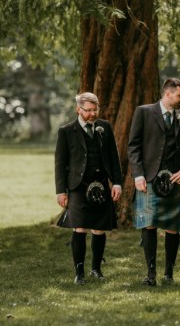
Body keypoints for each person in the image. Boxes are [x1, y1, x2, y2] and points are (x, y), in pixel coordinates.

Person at [128, 77, 180, 285]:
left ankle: (169, 274)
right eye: (179, 95)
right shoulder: (144, 112)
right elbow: (133, 146)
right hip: (149, 178)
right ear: (167, 94)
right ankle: (150, 275)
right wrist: (138, 174)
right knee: (148, 224)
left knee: (173, 226)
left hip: (175, 181)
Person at [55, 92, 123, 284]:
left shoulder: (105, 128)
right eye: (88, 110)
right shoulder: (67, 131)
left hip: (101, 184)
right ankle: (79, 273)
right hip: (77, 187)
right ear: (78, 109)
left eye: (95, 110)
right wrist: (61, 191)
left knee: (99, 229)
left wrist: (116, 182)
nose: (93, 114)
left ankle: (96, 269)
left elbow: (113, 158)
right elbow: (60, 164)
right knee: (80, 228)